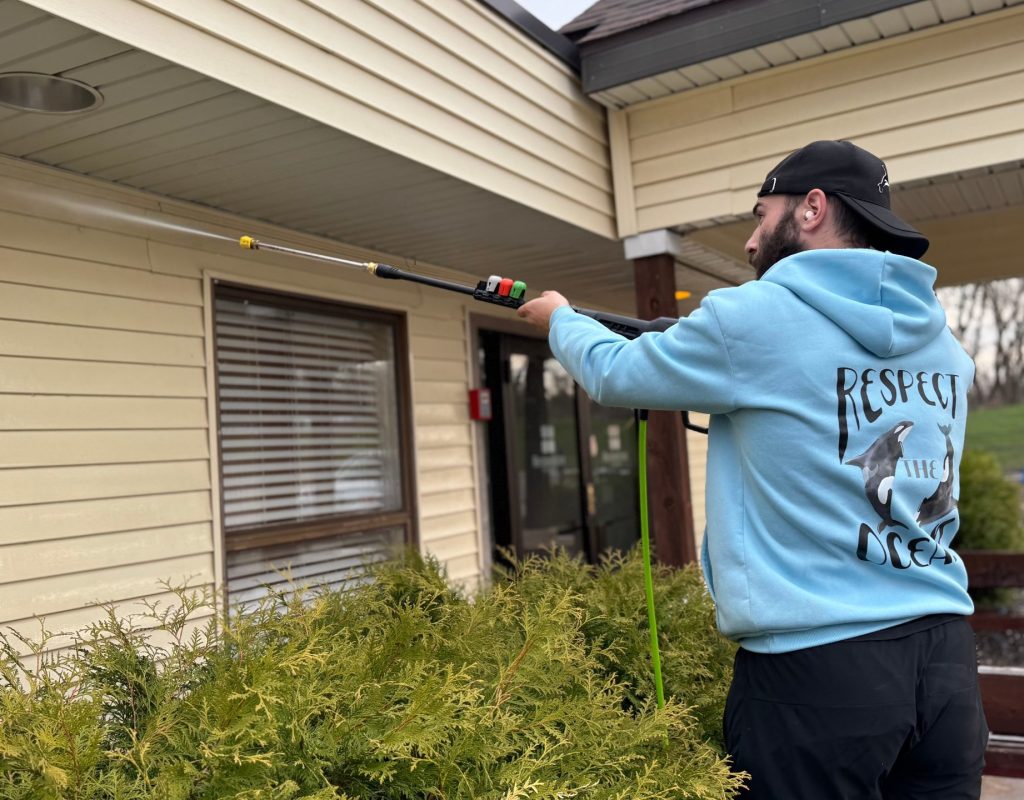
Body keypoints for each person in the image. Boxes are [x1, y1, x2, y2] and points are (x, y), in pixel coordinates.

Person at [517, 140, 988, 799]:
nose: (749, 241)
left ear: (812, 209)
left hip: (817, 675)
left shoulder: (753, 317)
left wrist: (561, 320)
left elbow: (616, 373)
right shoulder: (945, 345)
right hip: (946, 665)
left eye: (761, 215)